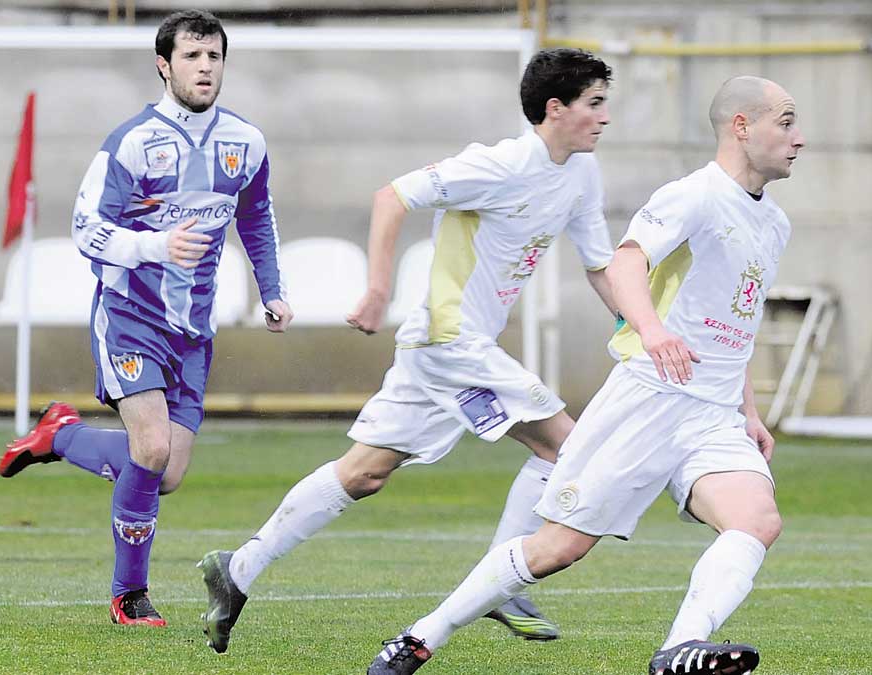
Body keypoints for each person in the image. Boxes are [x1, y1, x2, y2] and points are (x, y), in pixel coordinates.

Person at [365, 75, 804, 675]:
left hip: (714, 413)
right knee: (559, 547)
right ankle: (421, 637)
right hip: (649, 399)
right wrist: (652, 330)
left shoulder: (774, 224)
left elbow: (739, 318)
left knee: (757, 521)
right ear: (741, 126)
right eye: (786, 121)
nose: (798, 138)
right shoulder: (694, 195)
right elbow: (627, 262)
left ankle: (679, 651)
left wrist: (748, 410)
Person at [196, 48, 618, 654]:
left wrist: (642, 328)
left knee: (364, 473)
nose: (605, 118)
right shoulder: (498, 165)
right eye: (595, 104)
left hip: (437, 350)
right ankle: (504, 582)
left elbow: (600, 266)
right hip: (453, 343)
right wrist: (376, 290)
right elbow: (391, 197)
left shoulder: (581, 173)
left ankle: (236, 569)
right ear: (556, 108)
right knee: (564, 447)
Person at [0, 9, 292, 627]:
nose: (205, 67)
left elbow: (256, 216)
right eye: (192, 56)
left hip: (193, 329)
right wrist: (154, 247)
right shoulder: (132, 141)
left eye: (213, 56)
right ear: (164, 64)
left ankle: (60, 435)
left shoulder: (247, 141)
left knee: (167, 473)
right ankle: (129, 596)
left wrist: (272, 290)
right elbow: (87, 230)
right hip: (130, 314)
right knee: (151, 448)